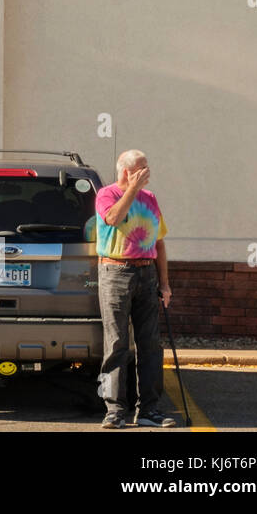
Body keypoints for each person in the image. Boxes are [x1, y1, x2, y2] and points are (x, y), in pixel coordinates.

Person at [95, 149, 176, 428]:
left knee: (150, 344)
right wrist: (132, 188)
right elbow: (114, 218)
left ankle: (149, 410)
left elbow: (160, 242)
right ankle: (115, 410)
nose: (148, 172)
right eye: (142, 168)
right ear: (127, 171)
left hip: (146, 273)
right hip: (115, 272)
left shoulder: (150, 199)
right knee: (116, 343)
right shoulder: (107, 194)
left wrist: (164, 284)